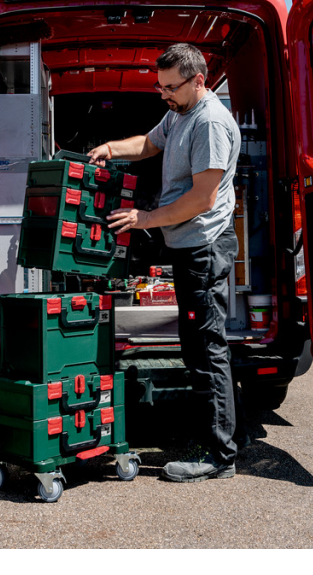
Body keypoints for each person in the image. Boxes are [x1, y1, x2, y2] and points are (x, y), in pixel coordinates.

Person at [88, 42, 242, 482]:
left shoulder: (209, 122)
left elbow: (201, 198)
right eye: (160, 87)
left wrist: (145, 219)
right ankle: (228, 435)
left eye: (171, 87)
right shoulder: (179, 113)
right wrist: (111, 149)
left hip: (204, 248)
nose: (164, 95)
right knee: (200, 345)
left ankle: (219, 456)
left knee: (206, 348)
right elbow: (149, 144)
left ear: (199, 80)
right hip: (188, 245)